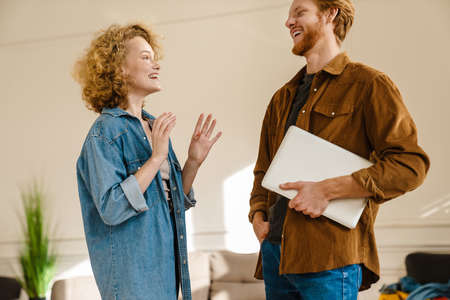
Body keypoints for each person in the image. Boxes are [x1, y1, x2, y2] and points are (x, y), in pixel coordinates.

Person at [248, 0, 430, 299]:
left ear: (330, 14)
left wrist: (328, 190)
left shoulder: (369, 85)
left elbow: (410, 165)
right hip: (274, 254)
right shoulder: (281, 98)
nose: (288, 21)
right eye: (289, 15)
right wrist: (257, 215)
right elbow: (262, 170)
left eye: (299, 12)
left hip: (329, 259)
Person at [74, 23, 221, 300]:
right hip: (133, 281)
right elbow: (112, 207)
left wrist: (193, 161)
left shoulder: (153, 126)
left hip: (165, 273)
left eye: (155, 57)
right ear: (119, 69)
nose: (156, 65)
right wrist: (156, 158)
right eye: (145, 57)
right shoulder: (104, 133)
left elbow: (172, 203)